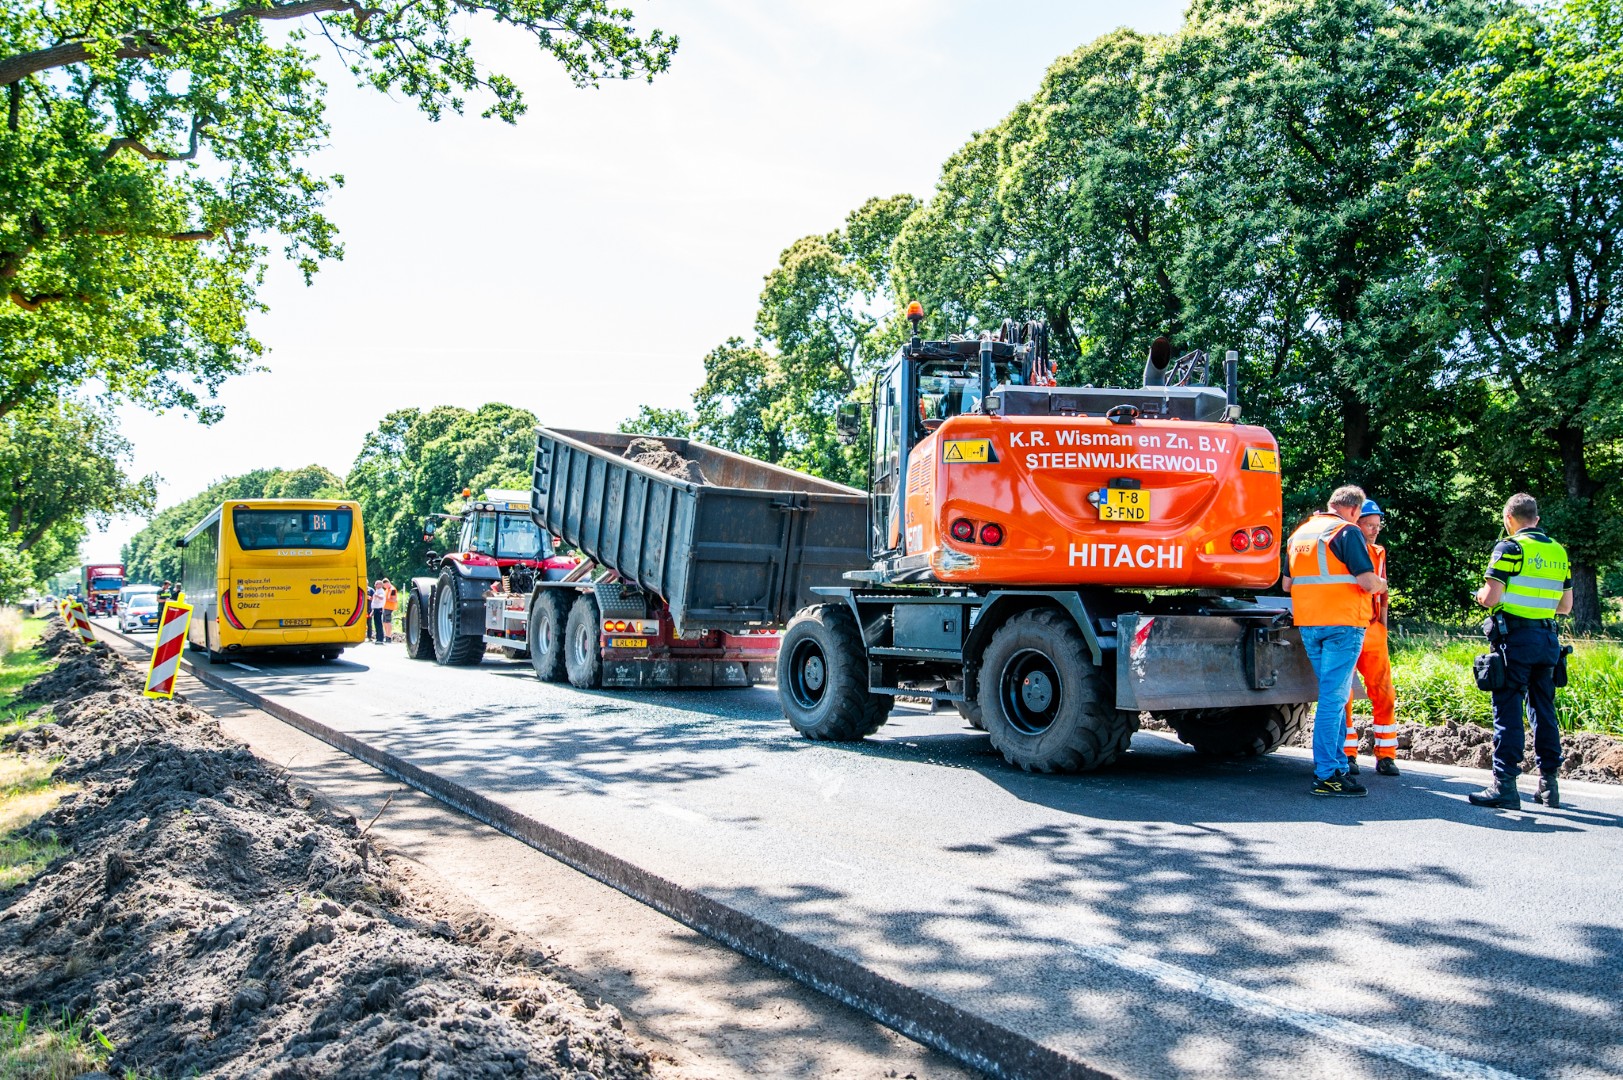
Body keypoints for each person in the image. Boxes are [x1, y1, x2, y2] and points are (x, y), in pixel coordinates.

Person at [1468, 494, 1573, 810]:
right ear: (1536, 519)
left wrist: (1481, 595)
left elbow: (1490, 596)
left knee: (1508, 709)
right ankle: (1548, 785)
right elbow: (1565, 606)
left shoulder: (1510, 548)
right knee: (1543, 708)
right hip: (1547, 639)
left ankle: (1505, 785)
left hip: (1514, 640)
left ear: (1507, 518)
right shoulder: (1558, 551)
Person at [1283, 485, 1389, 797]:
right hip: (1342, 624)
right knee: (1333, 698)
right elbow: (1367, 581)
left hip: (1310, 624)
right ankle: (1327, 774)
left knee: (1336, 696)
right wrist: (1381, 583)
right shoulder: (1346, 532)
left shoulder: (1300, 534)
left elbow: (1288, 585)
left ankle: (1339, 765)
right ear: (1355, 510)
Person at [1342, 499, 1401, 777]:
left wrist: (1384, 627)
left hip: (1373, 629)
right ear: (1356, 523)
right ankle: (1347, 754)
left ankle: (1386, 755)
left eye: (1378, 525)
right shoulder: (1341, 547)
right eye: (1369, 524)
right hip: (1348, 624)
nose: (1375, 530)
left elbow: (1384, 592)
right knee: (1345, 695)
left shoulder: (1378, 551)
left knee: (1385, 692)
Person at [369, 578, 388, 643]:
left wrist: (376, 596)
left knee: (379, 624)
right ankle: (378, 638)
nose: (375, 585)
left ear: (380, 585)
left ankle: (380, 638)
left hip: (379, 609)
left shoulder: (381, 591)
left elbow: (381, 597)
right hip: (375, 609)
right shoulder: (377, 590)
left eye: (376, 584)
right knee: (376, 624)